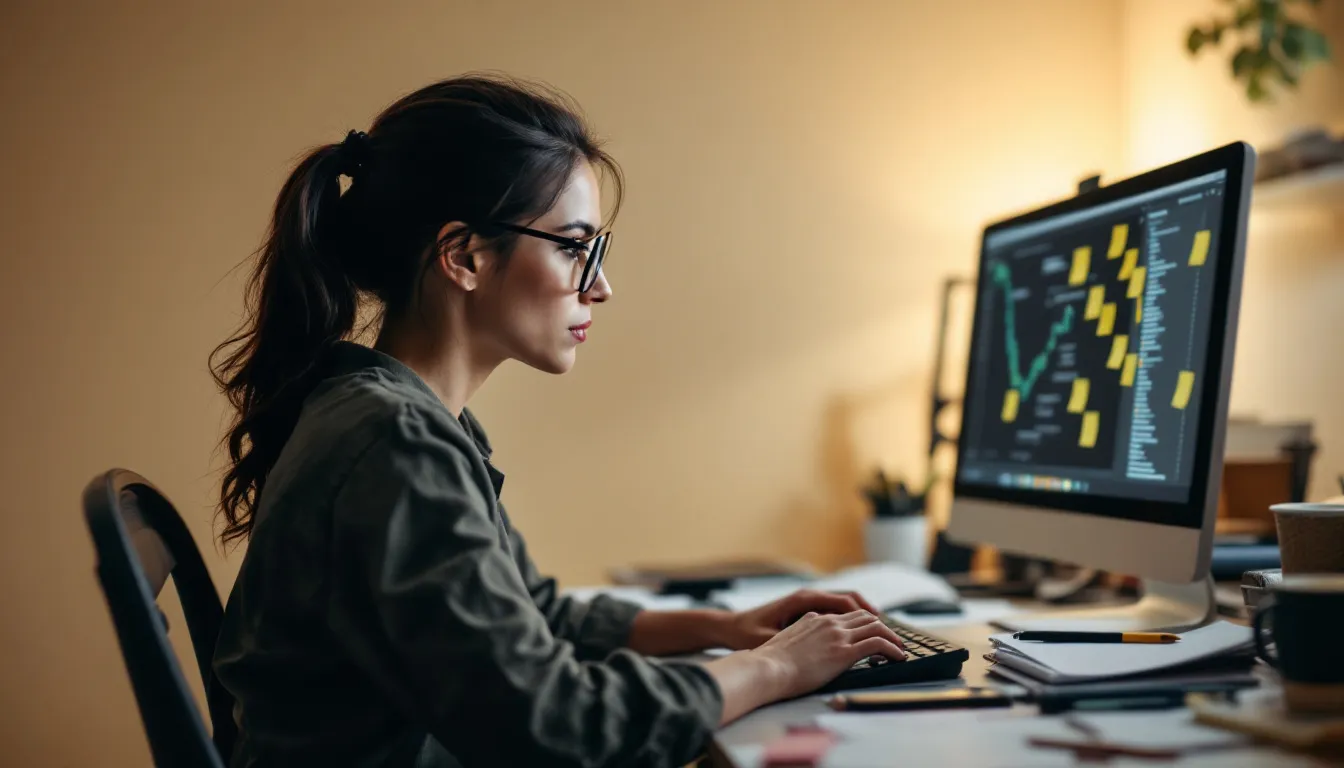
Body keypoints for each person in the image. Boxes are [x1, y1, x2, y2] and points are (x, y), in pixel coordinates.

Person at [210, 73, 906, 768]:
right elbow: (557, 727)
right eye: (574, 248)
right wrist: (776, 670)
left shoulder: (399, 416)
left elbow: (533, 615)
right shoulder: (393, 442)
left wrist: (729, 627)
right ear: (466, 257)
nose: (600, 286)